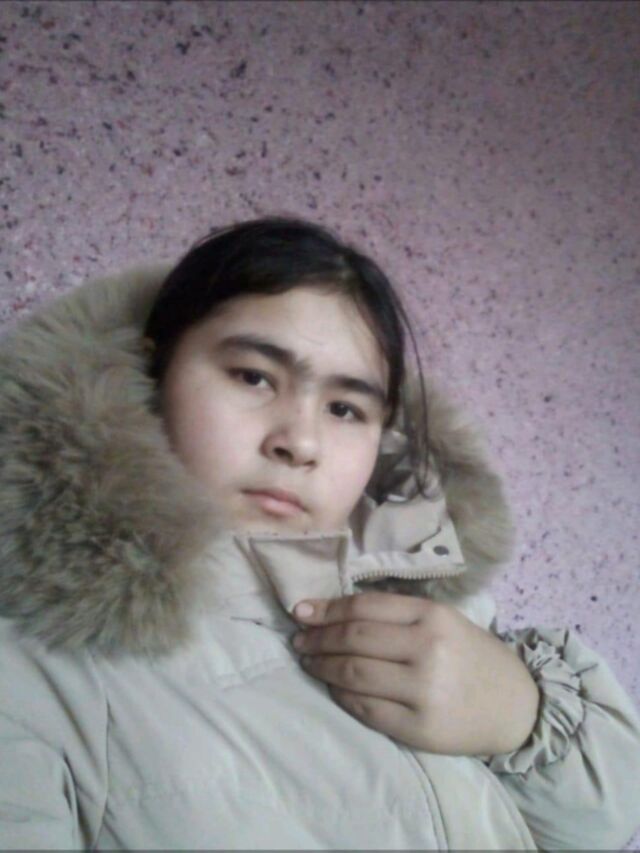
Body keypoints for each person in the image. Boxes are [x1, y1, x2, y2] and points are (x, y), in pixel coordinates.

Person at [0, 216, 638, 850]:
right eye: (253, 376)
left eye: (344, 409)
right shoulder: (33, 670)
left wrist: (522, 718)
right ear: (148, 373)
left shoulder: (434, 600)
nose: (300, 442)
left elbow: (610, 825)